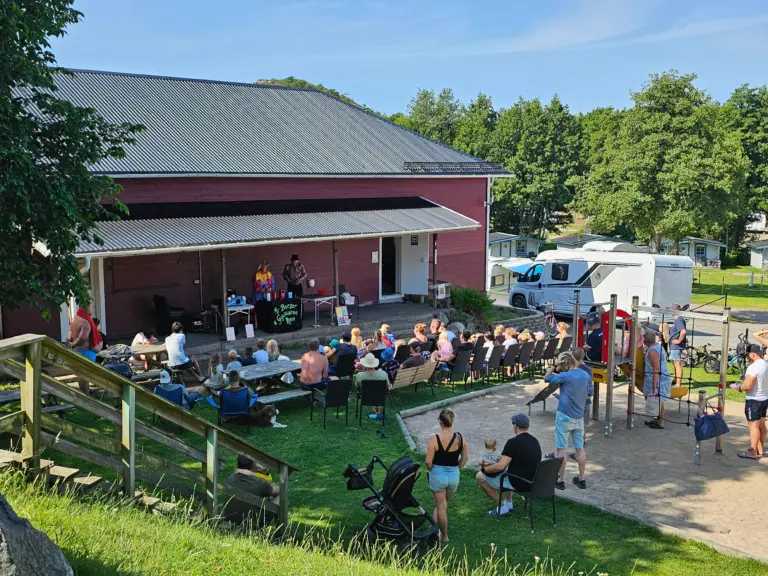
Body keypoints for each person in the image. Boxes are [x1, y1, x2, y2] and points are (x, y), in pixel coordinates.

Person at [476, 413, 542, 516]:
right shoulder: (535, 441)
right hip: (532, 482)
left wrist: (485, 469)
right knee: (508, 468)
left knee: (479, 476)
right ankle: (508, 503)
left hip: (518, 483)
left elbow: (500, 466)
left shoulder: (513, 442)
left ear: (515, 426)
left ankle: (502, 508)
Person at [545, 351, 590, 490]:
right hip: (579, 416)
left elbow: (547, 378)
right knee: (579, 448)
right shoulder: (586, 375)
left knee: (561, 449)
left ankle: (560, 480)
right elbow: (589, 392)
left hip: (564, 415)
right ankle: (581, 479)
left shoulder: (565, 376)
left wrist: (554, 367)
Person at [425, 409, 468, 543]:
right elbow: (465, 458)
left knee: (441, 507)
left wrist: (431, 469)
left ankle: (444, 536)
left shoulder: (434, 438)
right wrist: (457, 467)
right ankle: (433, 525)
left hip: (438, 474)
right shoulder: (460, 437)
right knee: (442, 504)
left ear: (440, 422)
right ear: (452, 421)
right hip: (453, 475)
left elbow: (428, 461)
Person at [731, 344, 768, 459]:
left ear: (752, 354)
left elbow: (748, 386)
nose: (747, 357)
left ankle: (752, 452)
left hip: (754, 400)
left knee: (754, 426)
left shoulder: (753, 367)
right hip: (764, 398)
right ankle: (760, 450)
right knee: (762, 426)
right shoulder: (765, 364)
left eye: (748, 355)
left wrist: (738, 387)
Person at [643, 327, 671, 430]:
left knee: (658, 399)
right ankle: (655, 419)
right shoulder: (657, 347)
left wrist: (654, 385)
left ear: (646, 339)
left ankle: (661, 422)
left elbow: (656, 368)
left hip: (657, 378)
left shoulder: (652, 351)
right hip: (660, 376)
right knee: (657, 400)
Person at [572, 347, 594, 421]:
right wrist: (590, 394)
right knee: (583, 421)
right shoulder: (588, 369)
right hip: (584, 398)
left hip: (572, 398)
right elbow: (590, 385)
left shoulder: (569, 368)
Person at [669, 304, 687, 387]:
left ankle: (678, 384)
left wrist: (679, 340)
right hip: (674, 346)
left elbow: (683, 331)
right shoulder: (678, 320)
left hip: (676, 346)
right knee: (675, 363)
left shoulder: (678, 320)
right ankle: (675, 380)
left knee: (677, 364)